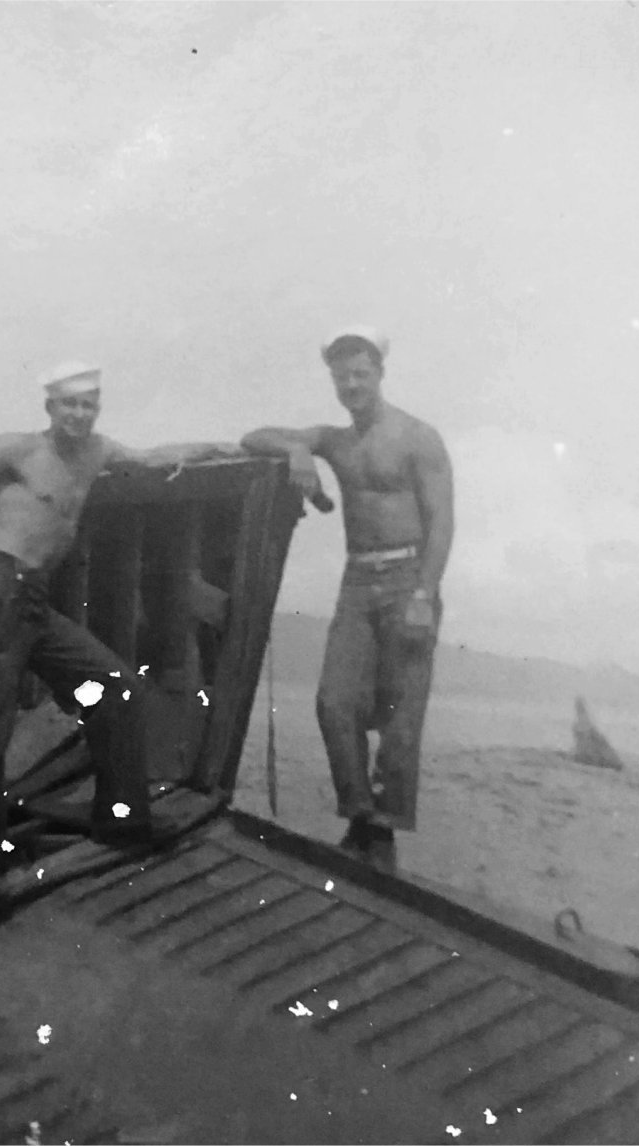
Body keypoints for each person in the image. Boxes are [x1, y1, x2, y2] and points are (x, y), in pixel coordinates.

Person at [0, 361, 232, 903]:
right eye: (69, 404)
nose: (79, 414)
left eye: (89, 404)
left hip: (36, 604)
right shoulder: (18, 449)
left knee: (116, 689)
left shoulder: (98, 452)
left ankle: (122, 824)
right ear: (50, 407)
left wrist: (219, 446)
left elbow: (152, 458)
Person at [241, 326, 454, 870]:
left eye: (361, 374)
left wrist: (425, 593)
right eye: (342, 378)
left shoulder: (418, 436)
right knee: (334, 703)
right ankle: (360, 817)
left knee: (401, 719)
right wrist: (297, 449)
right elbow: (253, 436)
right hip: (357, 581)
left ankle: (380, 836)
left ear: (380, 373)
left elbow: (442, 521)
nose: (352, 385)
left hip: (409, 577)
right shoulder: (334, 440)